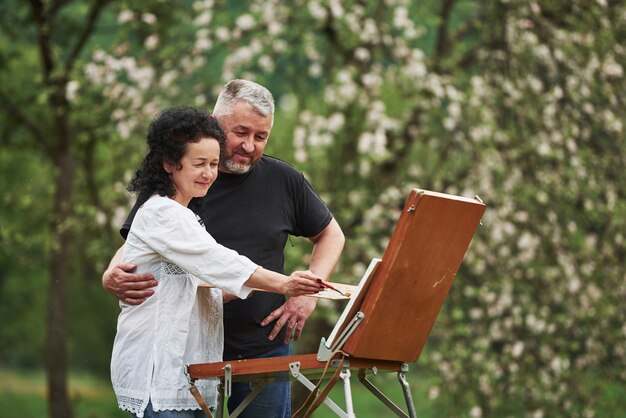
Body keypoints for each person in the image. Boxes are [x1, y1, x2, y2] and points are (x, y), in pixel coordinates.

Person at [103, 80, 345, 417]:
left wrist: (306, 294)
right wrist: (110, 275)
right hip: (186, 350)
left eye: (260, 137)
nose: (249, 145)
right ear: (215, 124)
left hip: (261, 344)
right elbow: (146, 243)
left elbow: (332, 235)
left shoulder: (281, 179)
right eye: (241, 132)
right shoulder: (176, 189)